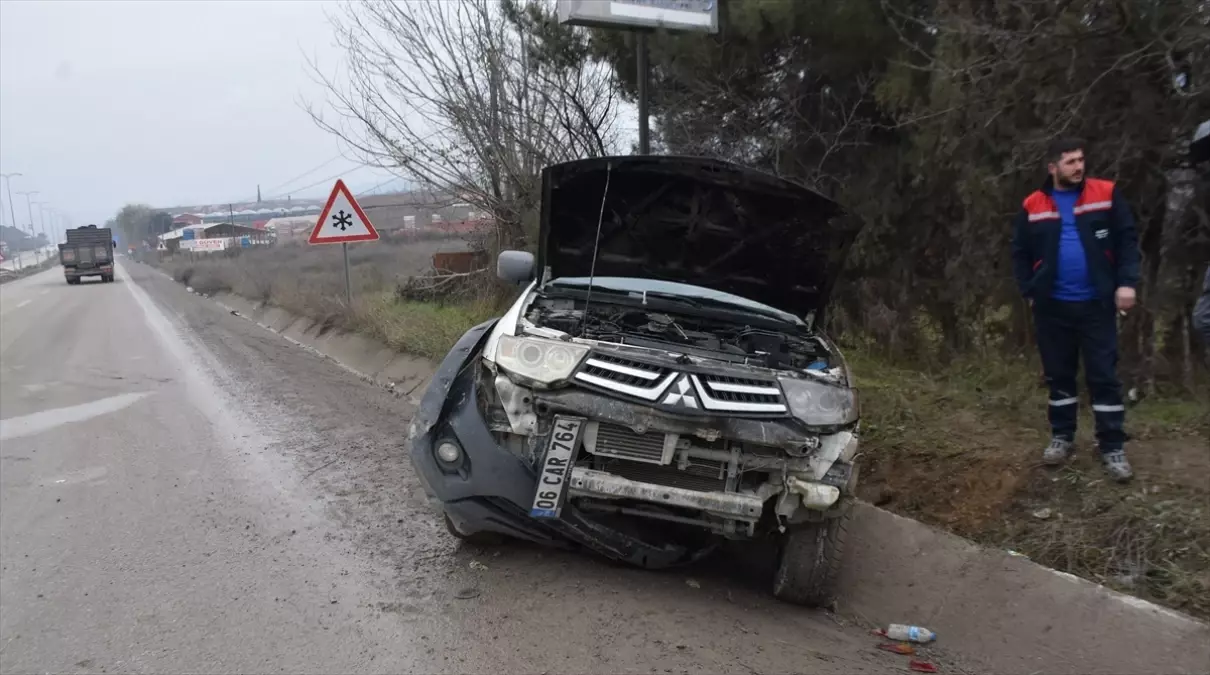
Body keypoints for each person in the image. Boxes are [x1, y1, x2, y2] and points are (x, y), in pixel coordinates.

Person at [1011, 137, 1140, 482]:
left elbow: (1127, 240)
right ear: (1052, 168)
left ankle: (1111, 446)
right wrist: (1030, 291)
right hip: (1052, 308)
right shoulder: (1033, 205)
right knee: (1059, 376)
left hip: (1096, 304)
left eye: (1081, 160)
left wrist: (1127, 282)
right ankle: (1062, 438)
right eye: (1070, 162)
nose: (1079, 167)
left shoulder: (1105, 194)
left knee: (1103, 376)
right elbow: (1019, 252)